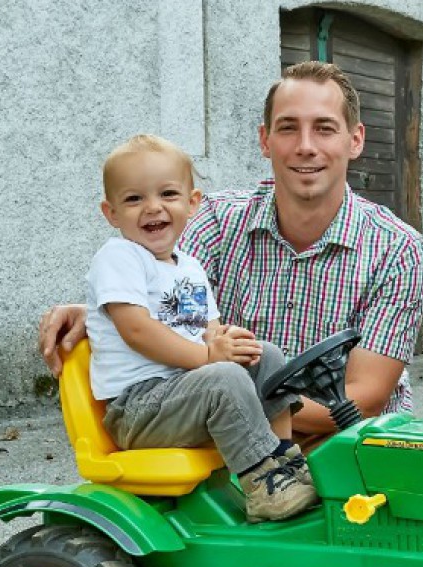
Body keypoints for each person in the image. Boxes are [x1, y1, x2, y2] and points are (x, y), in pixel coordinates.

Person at [40, 62, 423, 439]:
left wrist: (237, 405)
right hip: (231, 443)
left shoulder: (398, 248)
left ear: (356, 140)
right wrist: (100, 308)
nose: (306, 146)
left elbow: (361, 399)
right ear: (265, 140)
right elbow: (166, 298)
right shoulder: (214, 220)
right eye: (288, 128)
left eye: (325, 129)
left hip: (349, 444)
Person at [88, 134, 316, 522]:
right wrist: (210, 356)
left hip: (183, 394)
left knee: (266, 354)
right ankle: (261, 482)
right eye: (134, 199)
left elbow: (208, 329)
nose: (153, 207)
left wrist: (223, 343)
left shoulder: (189, 266)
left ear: (192, 202)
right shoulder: (119, 256)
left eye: (167, 194)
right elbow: (136, 331)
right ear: (111, 213)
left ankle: (283, 460)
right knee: (223, 377)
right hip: (138, 408)